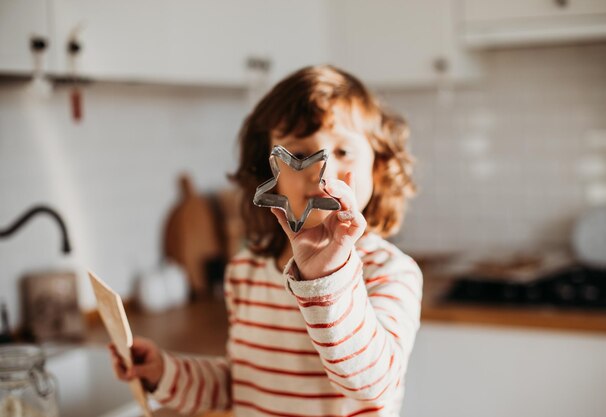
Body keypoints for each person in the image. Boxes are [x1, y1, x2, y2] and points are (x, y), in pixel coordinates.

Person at [109, 65, 423, 417]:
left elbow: (372, 385)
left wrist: (327, 278)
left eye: (344, 152)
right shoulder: (246, 270)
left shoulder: (391, 273)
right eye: (300, 155)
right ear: (268, 172)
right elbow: (239, 385)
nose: (323, 172)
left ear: (377, 168)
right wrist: (165, 374)